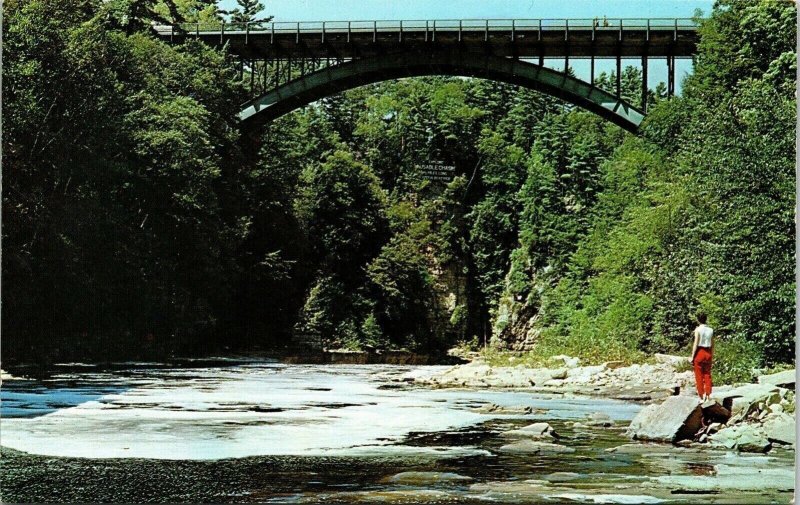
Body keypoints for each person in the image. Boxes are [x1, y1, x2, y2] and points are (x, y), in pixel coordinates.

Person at [690, 312, 714, 402]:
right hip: (708, 352)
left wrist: (692, 356)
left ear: (698, 320)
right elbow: (712, 344)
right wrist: (712, 355)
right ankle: (708, 395)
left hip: (700, 352)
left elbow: (696, 343)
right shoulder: (711, 330)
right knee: (707, 374)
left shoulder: (698, 330)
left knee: (699, 375)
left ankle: (701, 395)